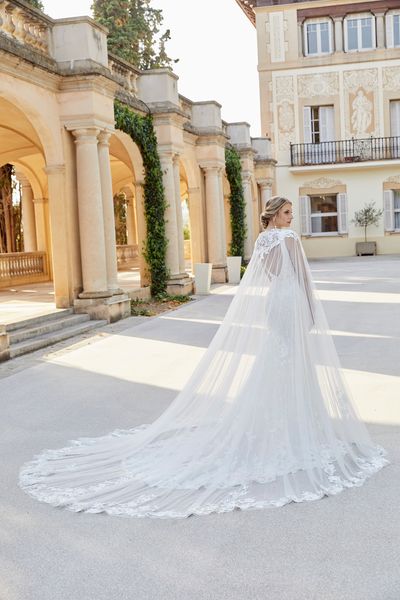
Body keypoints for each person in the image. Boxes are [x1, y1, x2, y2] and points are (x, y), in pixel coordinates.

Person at [19, 196, 388, 519]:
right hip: (290, 302)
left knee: (279, 358)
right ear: (275, 216)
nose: (292, 218)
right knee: (294, 361)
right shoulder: (289, 239)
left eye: (292, 213)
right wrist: (310, 307)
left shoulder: (263, 241)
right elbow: (303, 278)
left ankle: (280, 423)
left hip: (275, 304)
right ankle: (302, 426)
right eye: (288, 212)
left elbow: (267, 278)